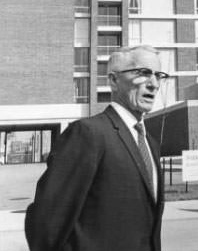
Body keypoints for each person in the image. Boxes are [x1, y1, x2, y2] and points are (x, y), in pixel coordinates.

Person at [25, 45, 168, 251]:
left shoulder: (151, 144)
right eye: (143, 73)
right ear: (113, 80)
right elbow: (46, 222)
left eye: (158, 75)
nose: (154, 84)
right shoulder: (88, 134)